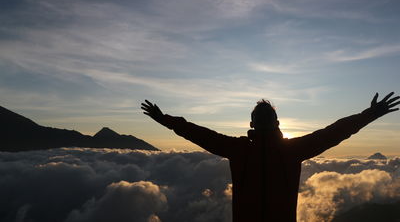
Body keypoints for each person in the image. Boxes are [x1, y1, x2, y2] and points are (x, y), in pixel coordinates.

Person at [141, 92, 400, 222]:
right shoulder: (292, 150)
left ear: (251, 123)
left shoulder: (238, 149)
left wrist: (164, 119)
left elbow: (197, 133)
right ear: (277, 122)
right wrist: (369, 115)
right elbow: (334, 133)